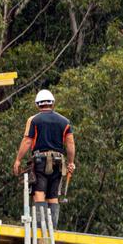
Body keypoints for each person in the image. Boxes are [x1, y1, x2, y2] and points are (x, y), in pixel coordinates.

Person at [12, 89, 76, 229]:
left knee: (39, 193)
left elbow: (27, 141)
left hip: (40, 161)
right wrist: (71, 163)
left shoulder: (34, 120)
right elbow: (70, 143)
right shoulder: (65, 122)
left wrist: (18, 160)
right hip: (58, 162)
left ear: (37, 104)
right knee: (53, 196)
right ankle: (52, 228)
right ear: (52, 103)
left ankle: (41, 229)